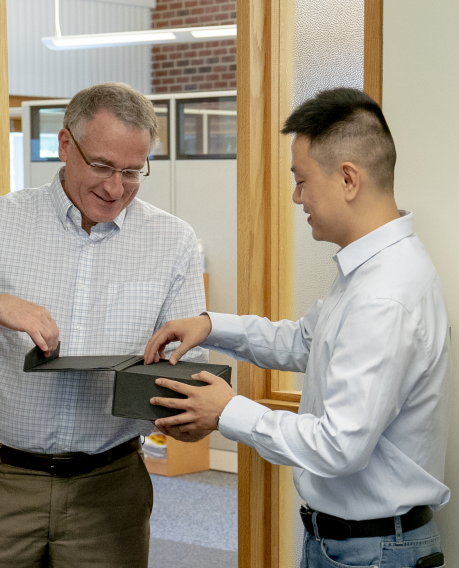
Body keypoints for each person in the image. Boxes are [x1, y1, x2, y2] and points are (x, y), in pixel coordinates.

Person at [0, 82, 207, 568]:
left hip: (111, 487)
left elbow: (189, 367)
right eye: (100, 166)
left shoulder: (174, 242)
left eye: (132, 172)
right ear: (63, 144)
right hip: (0, 484)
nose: (115, 188)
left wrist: (190, 415)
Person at [144, 88, 451, 568]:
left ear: (348, 178)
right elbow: (304, 342)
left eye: (302, 180)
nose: (296, 196)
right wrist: (211, 326)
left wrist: (229, 411)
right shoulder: (369, 273)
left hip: (371, 552)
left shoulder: (383, 295)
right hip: (352, 546)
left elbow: (338, 446)